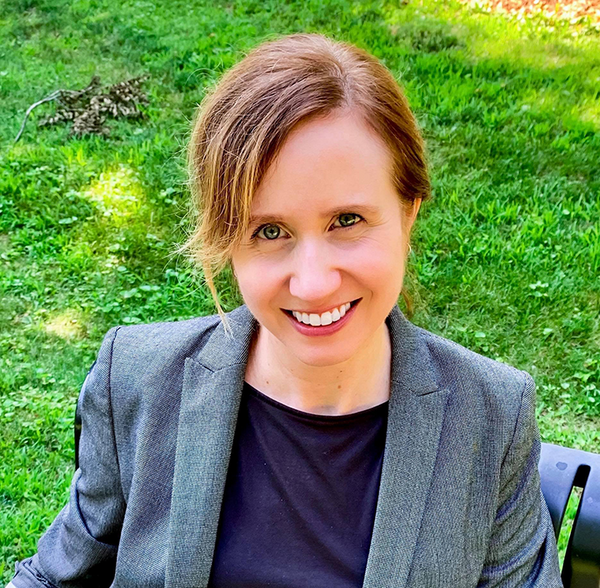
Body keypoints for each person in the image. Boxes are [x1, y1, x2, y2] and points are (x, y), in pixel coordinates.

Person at [8, 33, 562, 588]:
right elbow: (56, 578)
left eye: (347, 221)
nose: (314, 283)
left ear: (408, 212)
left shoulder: (491, 416)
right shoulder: (136, 380)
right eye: (269, 231)